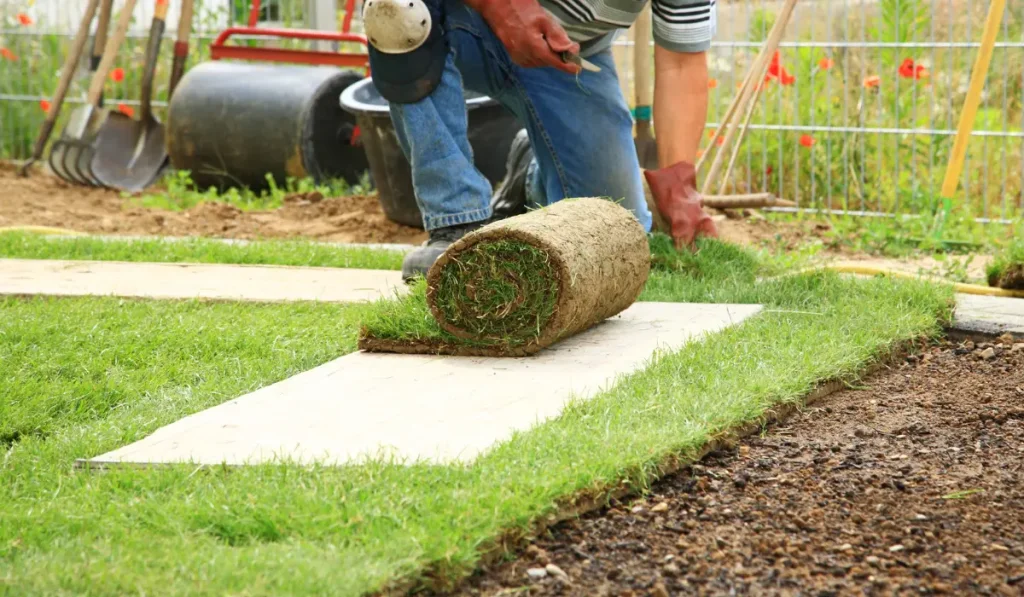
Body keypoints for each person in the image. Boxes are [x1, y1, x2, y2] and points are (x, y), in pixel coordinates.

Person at [360, 0, 720, 281]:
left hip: (566, 53)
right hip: (463, 21)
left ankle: (529, 174)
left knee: (612, 230)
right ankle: (456, 224)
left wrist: (679, 190)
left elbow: (681, 63)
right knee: (397, 11)